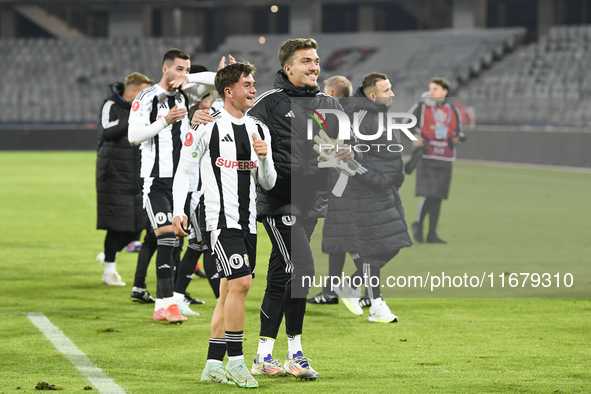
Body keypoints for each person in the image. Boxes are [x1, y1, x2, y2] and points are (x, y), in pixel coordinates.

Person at [172, 62, 276, 388]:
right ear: (228, 91)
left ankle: (213, 364)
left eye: (254, 83)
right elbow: (184, 171)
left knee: (229, 291)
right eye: (247, 84)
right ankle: (237, 362)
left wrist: (266, 156)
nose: (254, 89)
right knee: (242, 284)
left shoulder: (258, 128)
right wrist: (178, 210)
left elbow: (268, 182)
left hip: (248, 222)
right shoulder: (205, 125)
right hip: (219, 220)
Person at [128, 48, 218, 323]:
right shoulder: (146, 98)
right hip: (155, 181)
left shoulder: (186, 93)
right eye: (178, 69)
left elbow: (219, 80)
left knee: (180, 239)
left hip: (183, 182)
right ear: (165, 69)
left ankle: (168, 304)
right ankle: (164, 305)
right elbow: (133, 136)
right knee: (166, 237)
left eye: (186, 70)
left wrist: (190, 76)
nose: (183, 74)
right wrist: (164, 121)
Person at [333, 72, 413, 323]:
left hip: (386, 188)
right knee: (375, 248)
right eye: (387, 90)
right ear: (372, 95)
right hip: (370, 191)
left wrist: (391, 180)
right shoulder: (362, 117)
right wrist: (379, 180)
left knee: (394, 243)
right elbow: (353, 156)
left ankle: (352, 285)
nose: (392, 94)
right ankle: (377, 305)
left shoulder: (376, 114)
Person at [96, 72, 153, 287]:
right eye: (143, 91)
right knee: (116, 224)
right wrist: (132, 116)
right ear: (132, 90)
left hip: (136, 174)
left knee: (138, 225)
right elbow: (107, 132)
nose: (147, 96)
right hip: (114, 175)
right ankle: (109, 270)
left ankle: (108, 254)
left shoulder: (145, 109)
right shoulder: (111, 105)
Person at [308, 75, 360, 305]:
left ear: (330, 92)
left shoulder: (334, 115)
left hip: (342, 184)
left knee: (348, 236)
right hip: (350, 183)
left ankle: (368, 290)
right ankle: (330, 290)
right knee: (337, 238)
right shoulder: (357, 113)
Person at [408, 77, 466, 244]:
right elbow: (406, 126)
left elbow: (459, 133)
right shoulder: (421, 107)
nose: (431, 91)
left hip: (446, 157)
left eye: (435, 89)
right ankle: (418, 223)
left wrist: (457, 139)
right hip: (427, 156)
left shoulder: (453, 110)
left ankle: (432, 233)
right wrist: (414, 137)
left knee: (439, 196)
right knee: (430, 194)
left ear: (444, 92)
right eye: (430, 88)